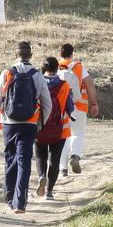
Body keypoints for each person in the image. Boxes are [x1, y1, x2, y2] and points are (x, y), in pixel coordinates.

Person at [0, 41, 52, 215]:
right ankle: (20, 203)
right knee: (24, 161)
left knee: (10, 160)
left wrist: (1, 120)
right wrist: (40, 123)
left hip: (9, 124)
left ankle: (10, 198)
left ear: (16, 54)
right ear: (30, 56)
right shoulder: (37, 75)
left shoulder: (7, 73)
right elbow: (47, 104)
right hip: (29, 124)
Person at [36, 57, 77, 201]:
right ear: (57, 68)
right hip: (59, 129)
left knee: (41, 156)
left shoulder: (37, 83)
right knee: (55, 159)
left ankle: (41, 176)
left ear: (43, 68)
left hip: (39, 127)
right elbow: (70, 108)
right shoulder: (64, 85)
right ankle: (49, 192)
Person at [57, 45, 96, 176]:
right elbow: (89, 84)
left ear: (60, 54)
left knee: (63, 137)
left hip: (61, 108)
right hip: (79, 107)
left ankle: (63, 169)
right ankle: (74, 156)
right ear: (72, 54)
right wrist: (94, 103)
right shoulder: (79, 67)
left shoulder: (55, 66)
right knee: (78, 133)